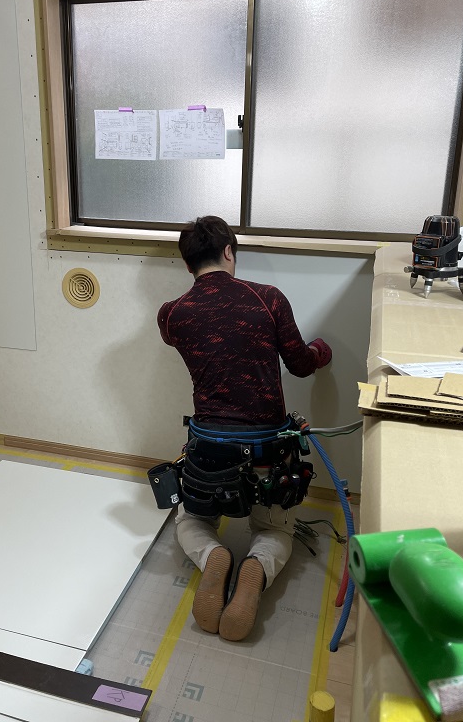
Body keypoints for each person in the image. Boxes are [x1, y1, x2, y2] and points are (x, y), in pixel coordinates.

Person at [157, 216, 332, 641]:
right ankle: (256, 566)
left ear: (187, 264)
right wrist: (321, 351)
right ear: (229, 252)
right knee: (275, 530)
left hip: (208, 452)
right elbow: (300, 364)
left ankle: (213, 556)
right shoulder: (267, 298)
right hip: (268, 450)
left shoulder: (172, 315)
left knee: (189, 522)